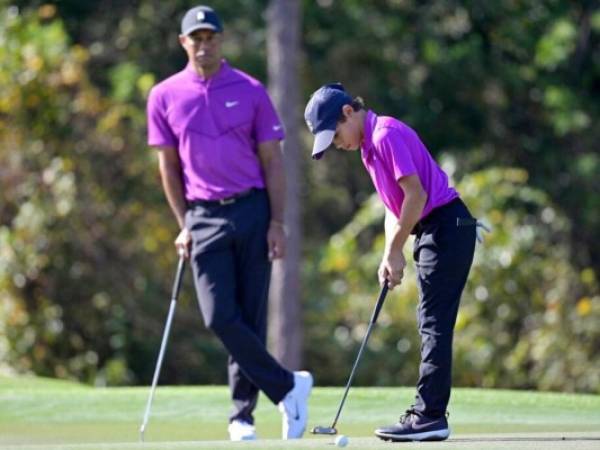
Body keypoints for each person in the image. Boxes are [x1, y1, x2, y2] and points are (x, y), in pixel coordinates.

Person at [146, 5, 312, 441]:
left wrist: (277, 222)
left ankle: (243, 416)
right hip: (202, 215)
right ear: (184, 43)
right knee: (219, 316)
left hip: (252, 209)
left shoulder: (251, 90)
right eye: (195, 38)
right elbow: (167, 167)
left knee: (250, 318)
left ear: (222, 40)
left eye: (211, 37)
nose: (204, 45)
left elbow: (273, 162)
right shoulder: (164, 95)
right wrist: (183, 223)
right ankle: (288, 387)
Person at [304, 83, 478, 442]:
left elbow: (417, 195)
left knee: (433, 323)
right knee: (429, 321)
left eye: (335, 135)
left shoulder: (385, 135)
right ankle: (429, 413)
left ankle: (430, 416)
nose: (337, 144)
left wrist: (398, 249)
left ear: (348, 113)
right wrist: (389, 252)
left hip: (447, 226)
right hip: (434, 229)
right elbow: (393, 205)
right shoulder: (368, 147)